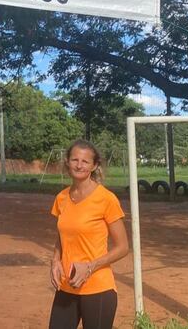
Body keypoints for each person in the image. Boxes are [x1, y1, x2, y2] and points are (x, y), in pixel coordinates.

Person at [49, 140, 129, 329]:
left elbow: (123, 247)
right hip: (67, 285)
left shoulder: (106, 199)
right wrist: (55, 260)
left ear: (94, 166)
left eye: (85, 161)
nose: (79, 165)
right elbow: (62, 235)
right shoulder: (61, 198)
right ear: (67, 162)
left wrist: (90, 266)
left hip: (98, 288)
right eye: (74, 159)